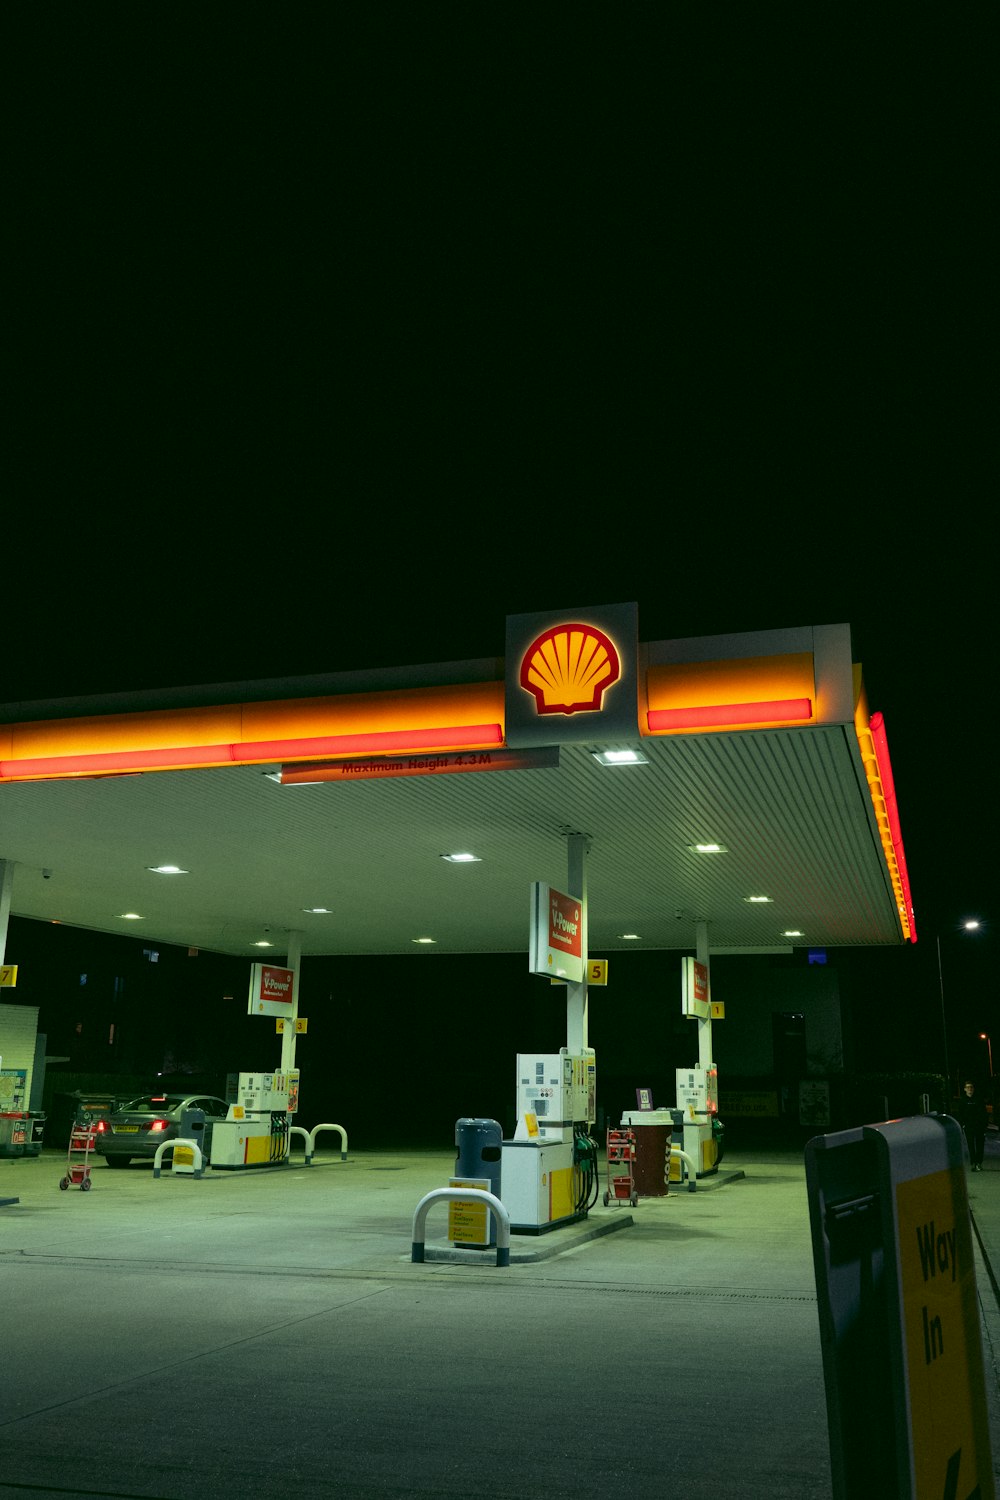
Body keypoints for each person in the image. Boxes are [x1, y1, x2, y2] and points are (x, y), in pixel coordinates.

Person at [958, 1080, 989, 1171]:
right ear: (964, 1089)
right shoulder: (963, 1101)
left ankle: (979, 1163)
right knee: (970, 1146)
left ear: (973, 1089)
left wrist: (985, 1125)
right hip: (968, 1126)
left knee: (980, 1145)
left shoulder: (979, 1100)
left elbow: (984, 1113)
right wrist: (962, 1125)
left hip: (979, 1126)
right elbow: (960, 1114)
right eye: (967, 1087)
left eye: (971, 1087)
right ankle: (973, 1163)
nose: (969, 1089)